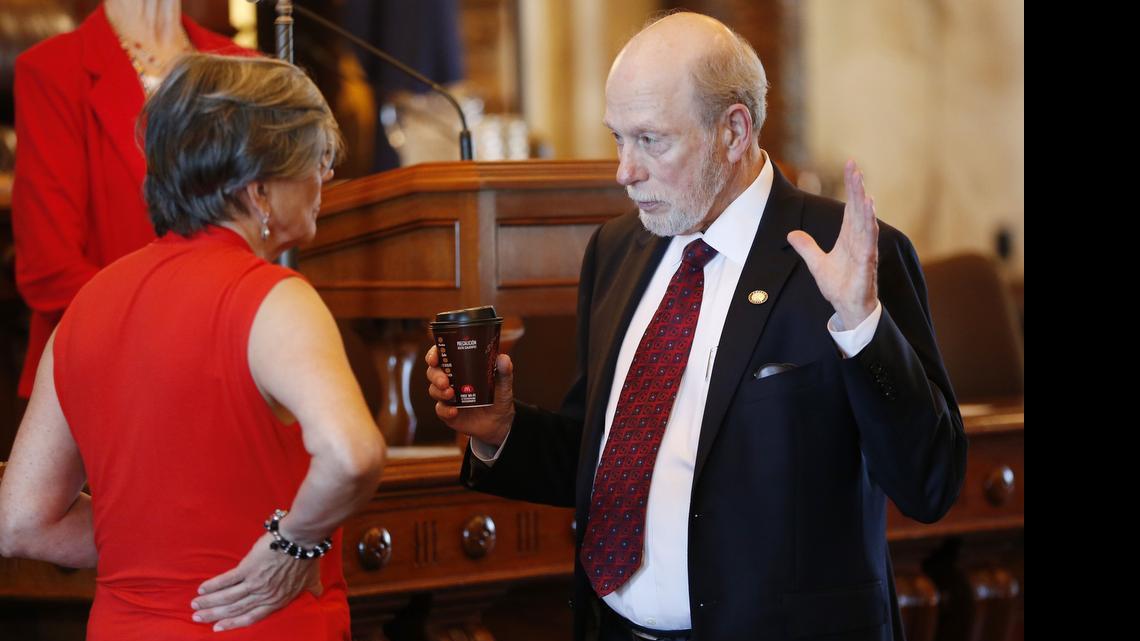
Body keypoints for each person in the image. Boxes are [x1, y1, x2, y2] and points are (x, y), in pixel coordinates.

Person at [425, 12, 966, 641]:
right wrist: (503, 430)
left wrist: (862, 325)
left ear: (733, 130)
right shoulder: (617, 250)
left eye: (650, 140)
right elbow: (607, 457)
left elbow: (930, 484)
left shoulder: (845, 255)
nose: (624, 170)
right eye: (617, 138)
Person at [0, 54, 386, 640]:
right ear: (258, 190)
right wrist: (292, 543)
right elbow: (352, 451)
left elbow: (19, 521)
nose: (324, 177)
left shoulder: (85, 307)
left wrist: (159, 552)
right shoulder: (273, 298)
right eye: (316, 159)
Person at [11, 0, 248, 398]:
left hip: (229, 371)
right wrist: (180, 332)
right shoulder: (53, 70)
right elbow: (48, 272)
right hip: (103, 377)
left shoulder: (246, 70)